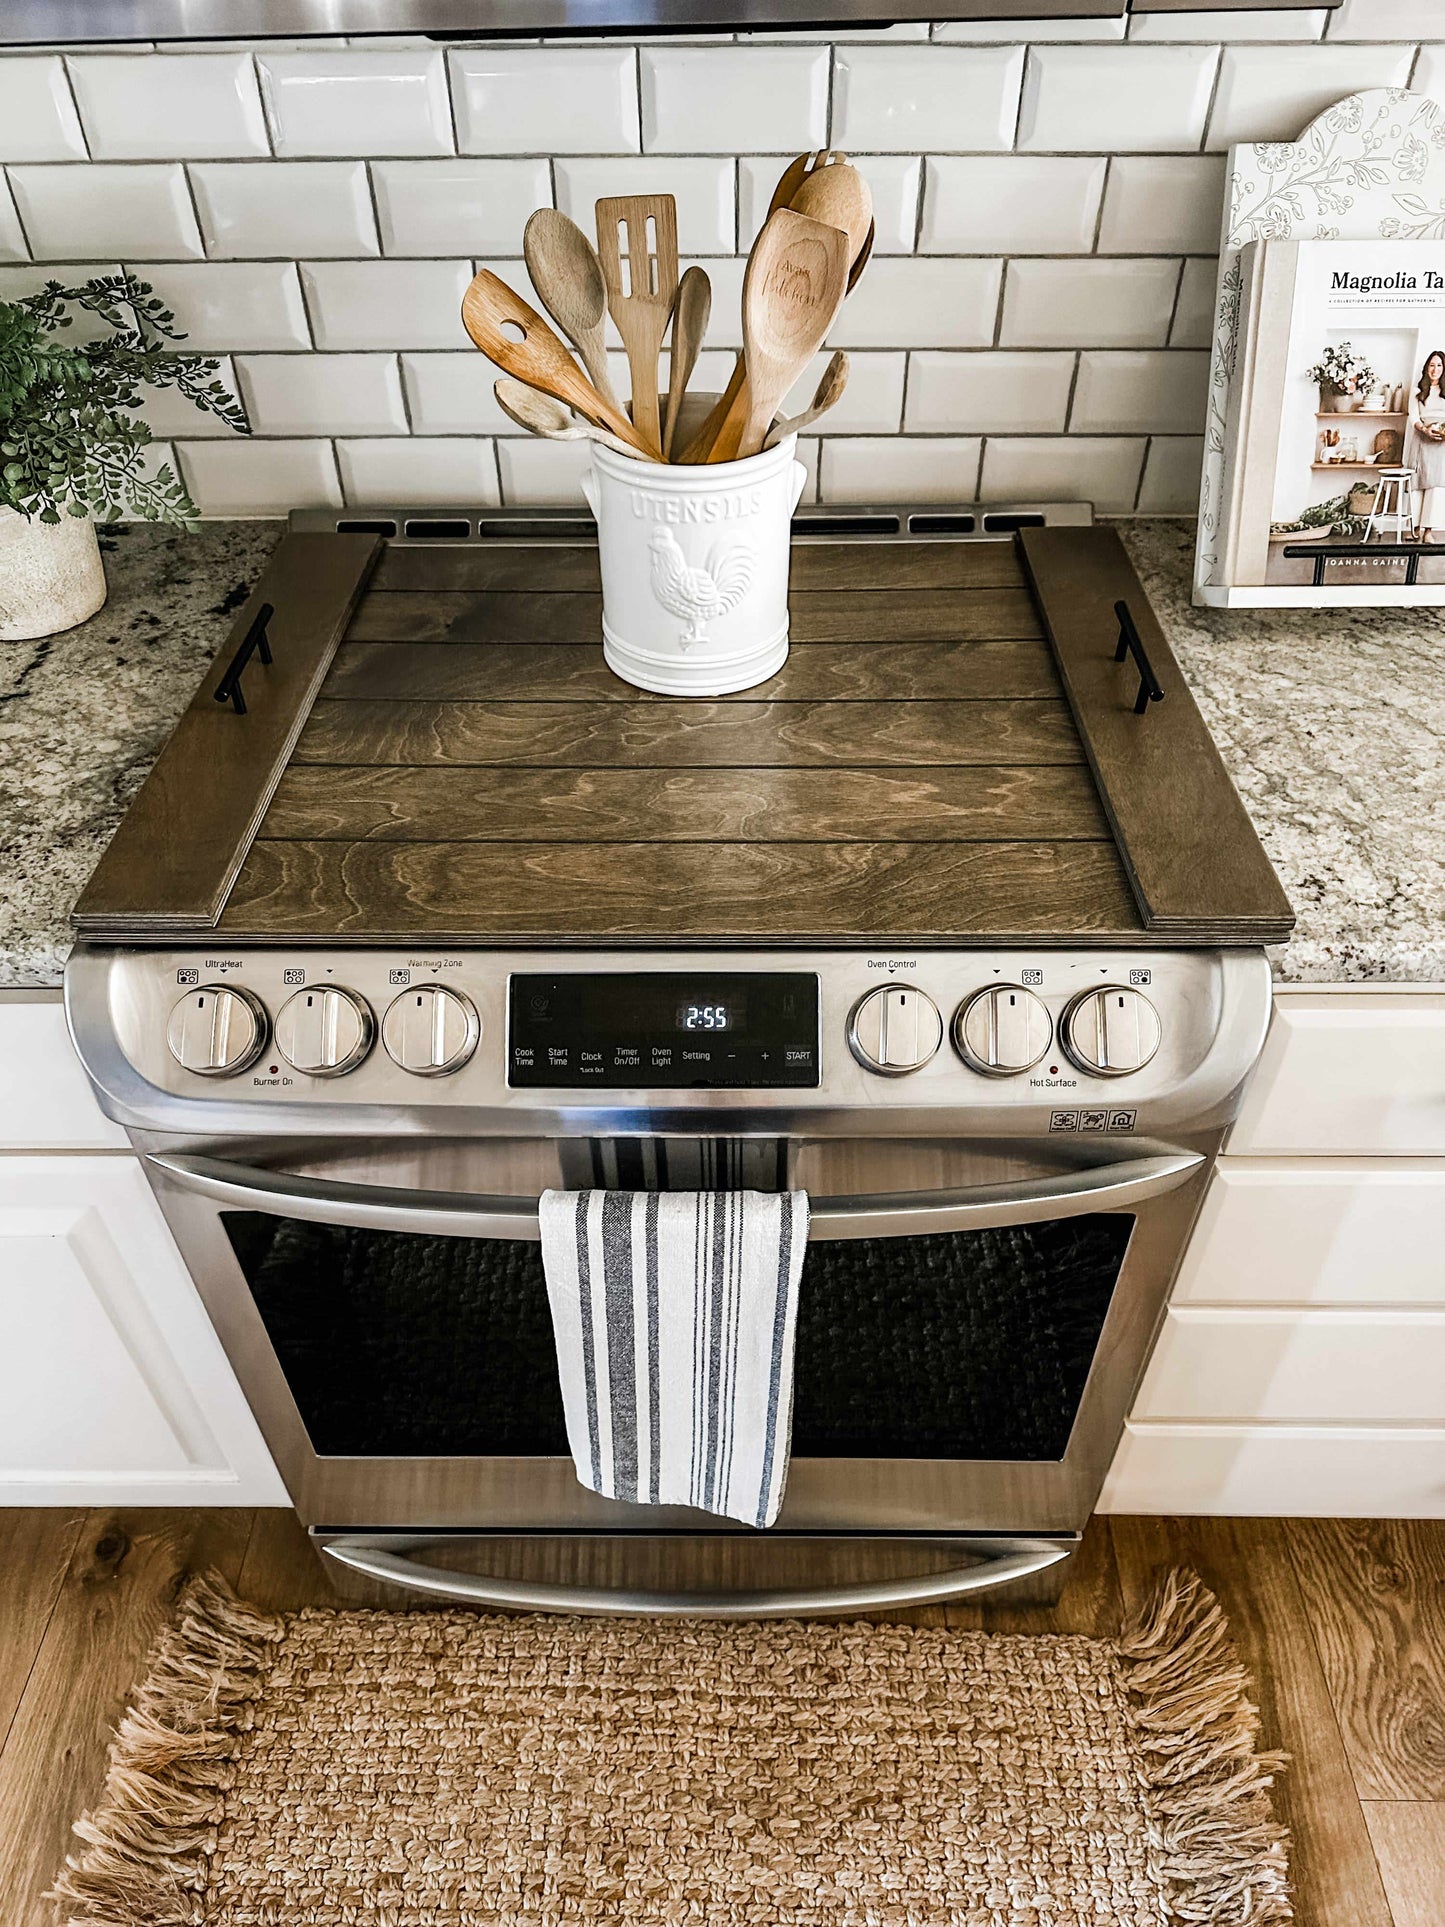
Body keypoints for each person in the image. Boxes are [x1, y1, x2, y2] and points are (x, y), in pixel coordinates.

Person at [1405, 349, 1445, 541]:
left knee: (1436, 485)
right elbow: (1413, 415)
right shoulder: (1418, 390)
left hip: (1441, 443)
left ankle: (1428, 530)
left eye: (1439, 365)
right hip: (1422, 438)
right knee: (1418, 482)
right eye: (1432, 365)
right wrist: (1424, 429)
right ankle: (1415, 528)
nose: (1435, 369)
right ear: (1426, 368)